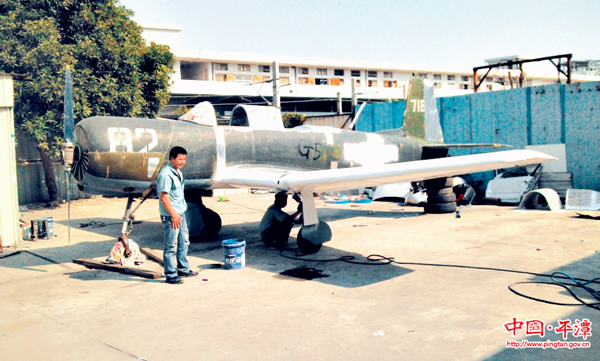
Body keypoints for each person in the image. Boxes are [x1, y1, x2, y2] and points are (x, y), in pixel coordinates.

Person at [157, 146, 198, 284]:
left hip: (181, 213)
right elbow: (164, 197)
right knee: (171, 246)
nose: (183, 162)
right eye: (180, 159)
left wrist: (179, 213)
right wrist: (173, 215)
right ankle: (170, 274)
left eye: (184, 159)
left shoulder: (178, 172)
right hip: (171, 216)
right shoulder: (165, 174)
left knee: (184, 241)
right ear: (172, 158)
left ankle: (183, 269)